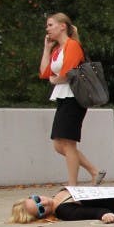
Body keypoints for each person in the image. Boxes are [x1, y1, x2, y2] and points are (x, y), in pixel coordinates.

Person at [39, 13, 105, 186]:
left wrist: (55, 79)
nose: (47, 29)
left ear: (63, 26)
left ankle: (72, 185)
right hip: (63, 97)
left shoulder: (73, 45)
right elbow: (45, 73)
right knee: (59, 145)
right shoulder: (57, 50)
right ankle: (94, 171)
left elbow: (67, 73)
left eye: (50, 25)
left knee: (68, 144)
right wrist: (46, 49)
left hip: (73, 97)